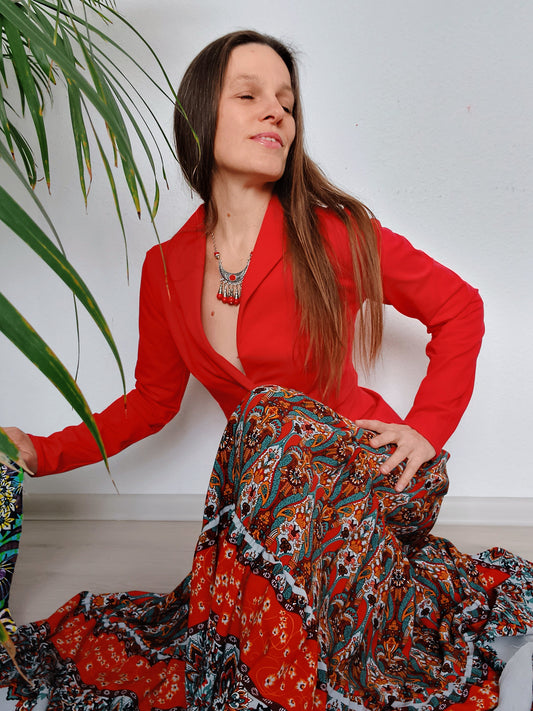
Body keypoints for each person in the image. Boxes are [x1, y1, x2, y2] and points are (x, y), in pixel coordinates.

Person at [0, 29, 532, 711]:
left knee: (266, 413)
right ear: (200, 117)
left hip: (368, 473)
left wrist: (426, 429)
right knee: (259, 429)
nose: (276, 110)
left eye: (286, 100)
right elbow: (151, 402)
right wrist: (41, 451)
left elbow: (459, 307)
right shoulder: (166, 270)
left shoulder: (333, 232)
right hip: (271, 506)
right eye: (249, 95)